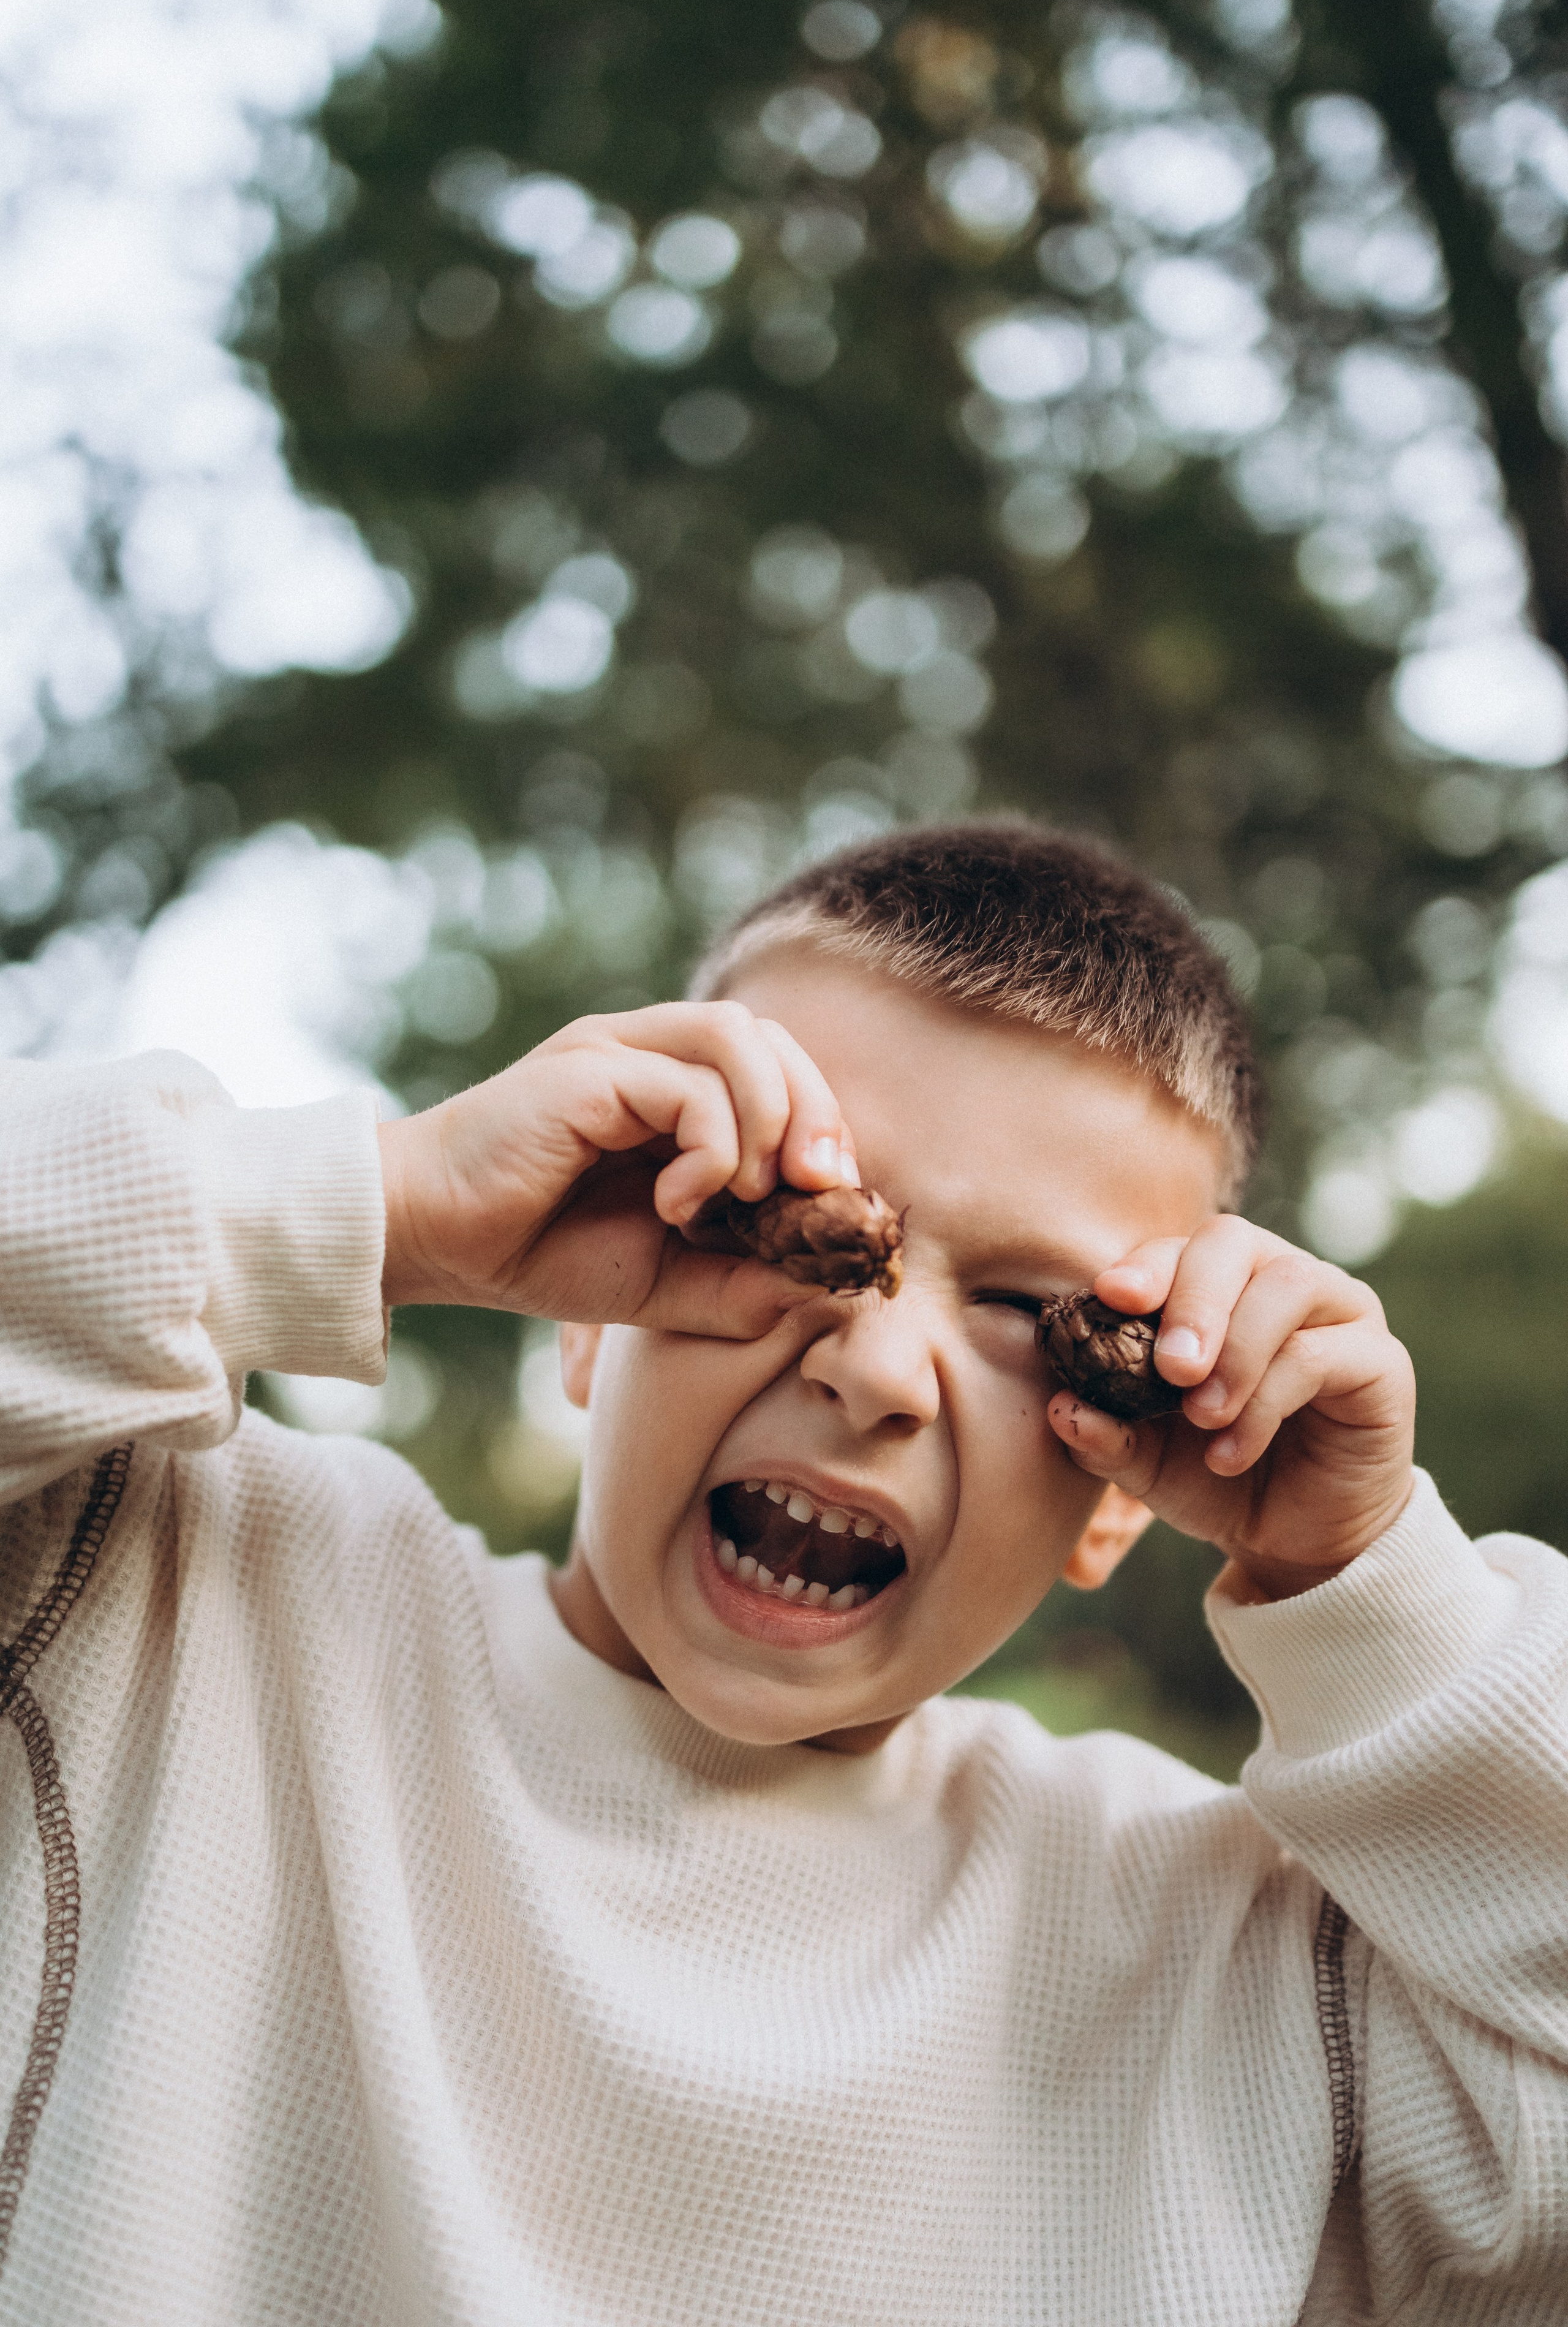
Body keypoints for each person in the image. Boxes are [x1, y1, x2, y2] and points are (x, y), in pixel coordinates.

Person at [1, 822, 1564, 2327]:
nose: (877, 1366)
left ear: (1122, 1493)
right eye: (789, 1225)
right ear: (586, 1316)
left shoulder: (1230, 1973)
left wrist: (1369, 1592)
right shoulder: (155, 1605)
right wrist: (378, 1212)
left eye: (1030, 1310)